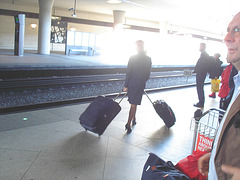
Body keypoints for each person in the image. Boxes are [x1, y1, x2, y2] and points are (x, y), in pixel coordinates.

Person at [198, 12, 240, 180]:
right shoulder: (236, 83)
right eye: (228, 30)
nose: (227, 38)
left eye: (237, 30)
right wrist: (216, 152)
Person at [123, 40, 152, 134]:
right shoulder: (148, 59)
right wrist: (141, 81)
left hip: (133, 84)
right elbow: (148, 75)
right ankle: (134, 119)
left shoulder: (133, 58)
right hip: (139, 85)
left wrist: (126, 85)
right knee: (133, 104)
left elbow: (129, 72)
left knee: (133, 104)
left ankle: (128, 124)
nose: (139, 47)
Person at [193, 43, 211, 108]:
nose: (199, 48)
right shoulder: (204, 55)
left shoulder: (205, 56)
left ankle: (201, 103)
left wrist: (197, 71)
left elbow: (203, 66)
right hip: (201, 74)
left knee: (200, 88)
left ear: (203, 47)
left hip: (201, 74)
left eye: (200, 46)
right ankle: (200, 102)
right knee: (200, 88)